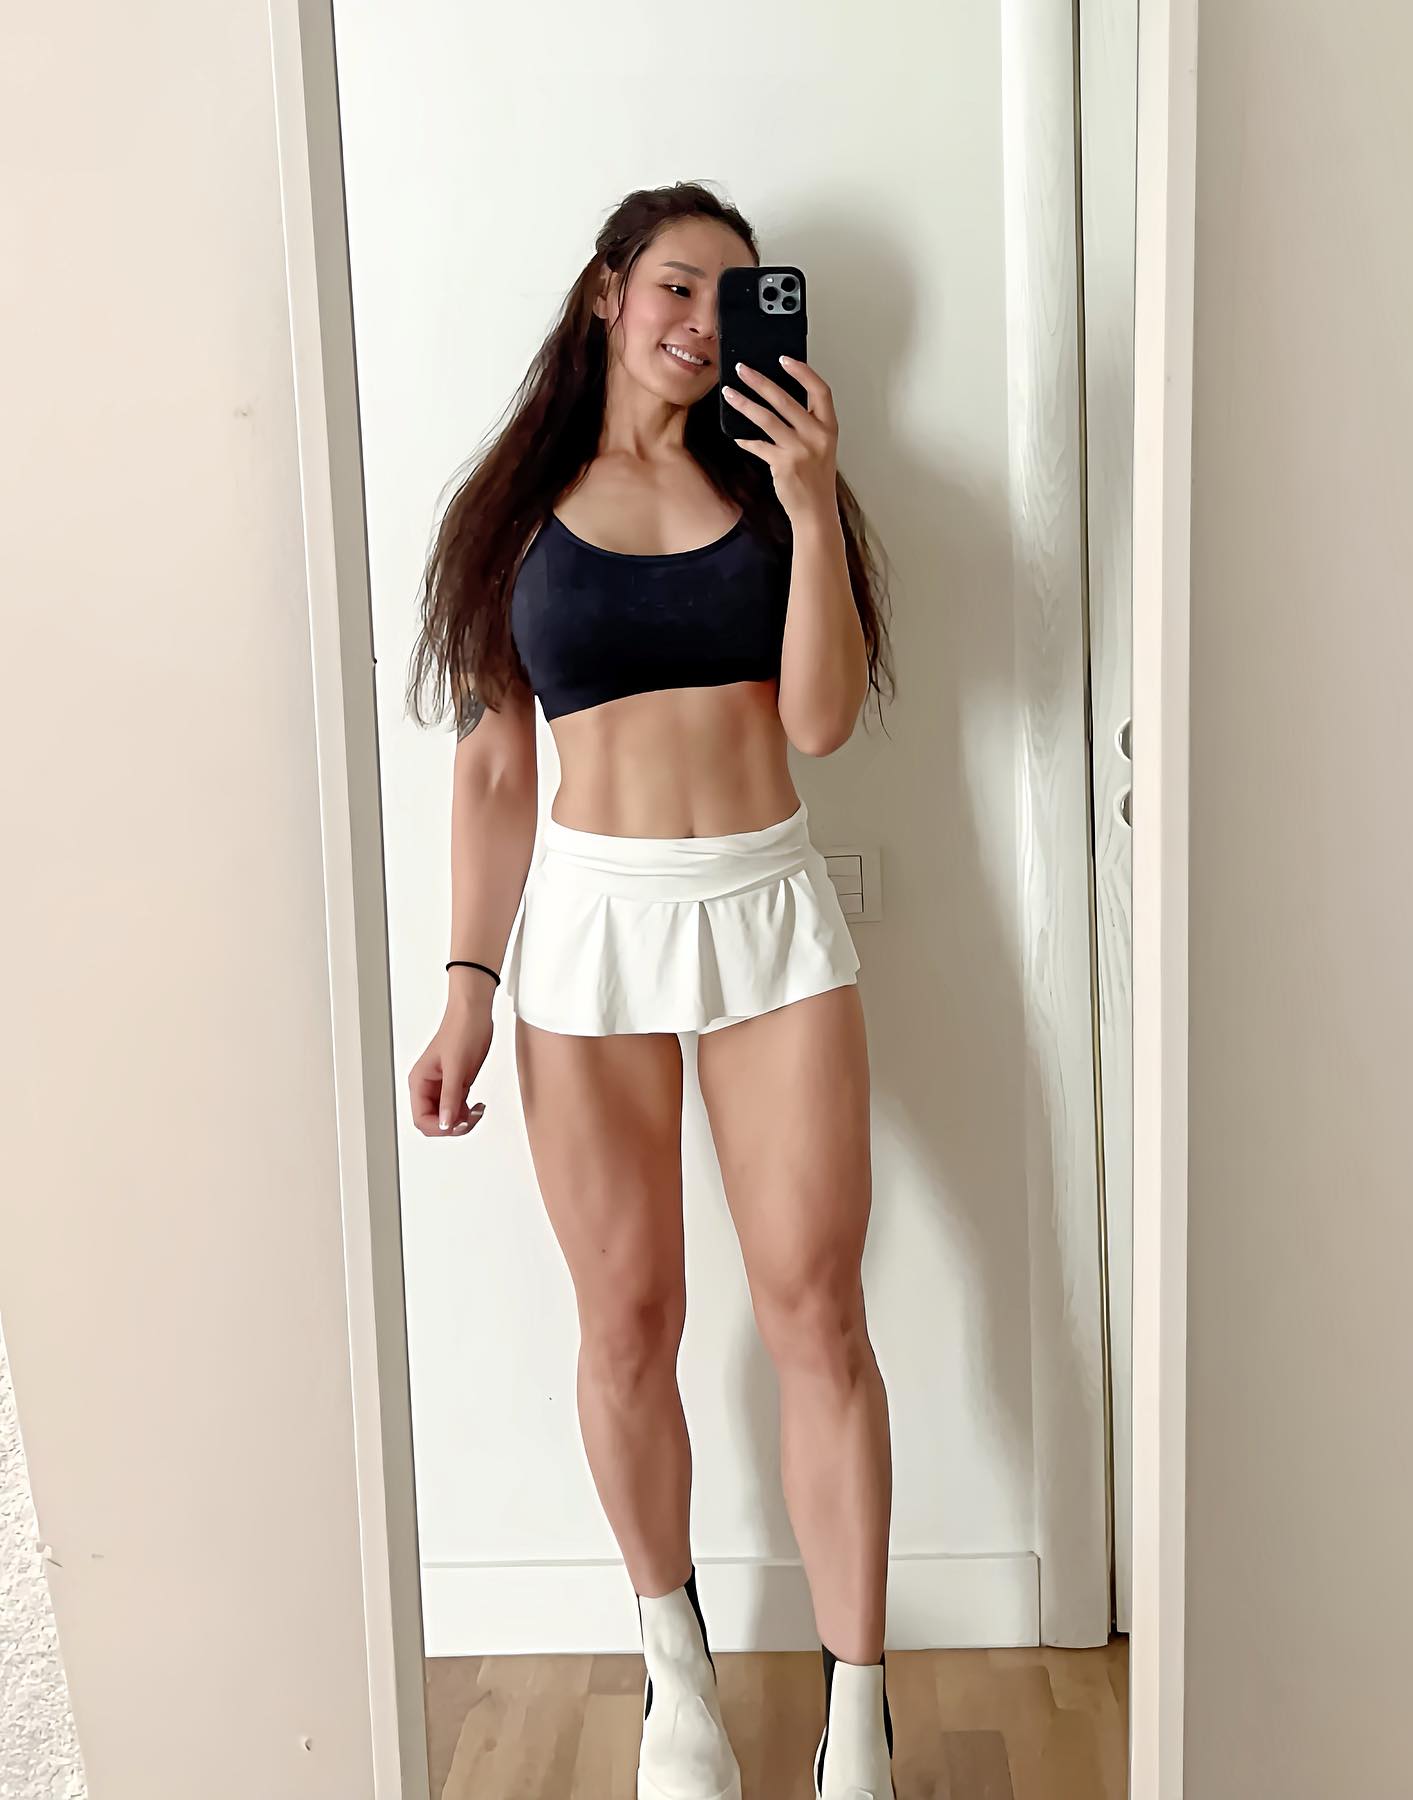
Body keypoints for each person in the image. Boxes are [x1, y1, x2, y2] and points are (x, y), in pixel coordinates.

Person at [405, 181, 898, 1800]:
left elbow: (819, 723)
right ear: (608, 292)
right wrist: (467, 989)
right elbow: (495, 772)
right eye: (678, 285)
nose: (701, 320)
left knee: (818, 1311)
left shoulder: (777, 485)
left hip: (766, 909)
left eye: (731, 296)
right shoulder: (512, 510)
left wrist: (812, 504)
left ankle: (857, 1712)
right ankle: (675, 1677)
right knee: (628, 1320)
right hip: (590, 931)